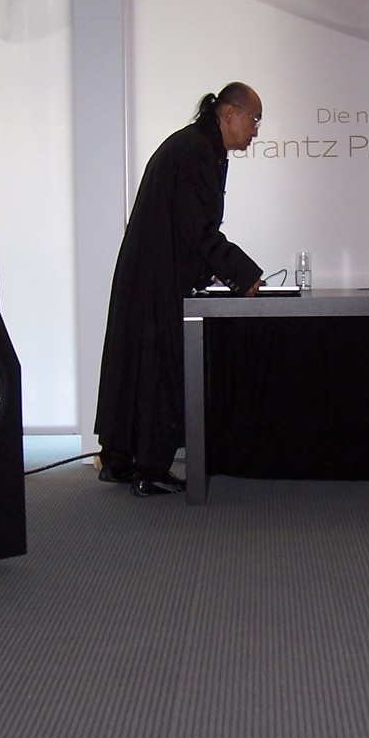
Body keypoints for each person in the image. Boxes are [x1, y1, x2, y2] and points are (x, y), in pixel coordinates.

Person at [94, 82, 265, 496]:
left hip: (150, 270)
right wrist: (242, 275)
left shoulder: (196, 146)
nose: (256, 131)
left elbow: (187, 226)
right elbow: (197, 229)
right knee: (162, 367)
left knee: (135, 364)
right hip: (159, 275)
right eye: (254, 119)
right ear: (229, 113)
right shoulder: (195, 151)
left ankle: (119, 458)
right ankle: (150, 470)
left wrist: (220, 271)